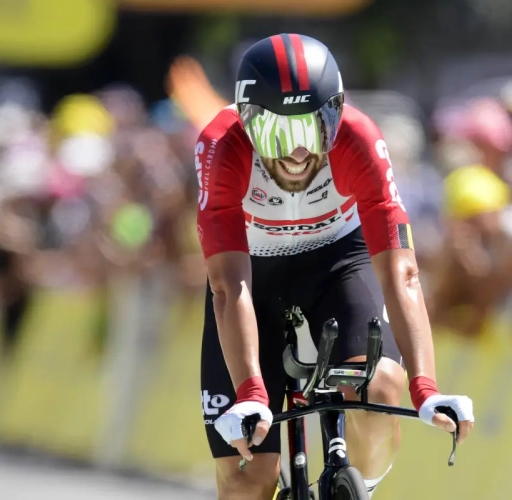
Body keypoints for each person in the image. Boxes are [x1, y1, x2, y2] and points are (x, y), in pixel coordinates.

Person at [196, 34, 475, 499]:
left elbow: (401, 272)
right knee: (247, 479)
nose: (300, 152)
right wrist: (251, 392)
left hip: (337, 261)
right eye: (281, 135)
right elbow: (229, 287)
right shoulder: (221, 146)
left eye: (313, 129)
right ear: (248, 123)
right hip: (252, 278)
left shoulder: (359, 138)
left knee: (383, 388)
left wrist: (425, 387)